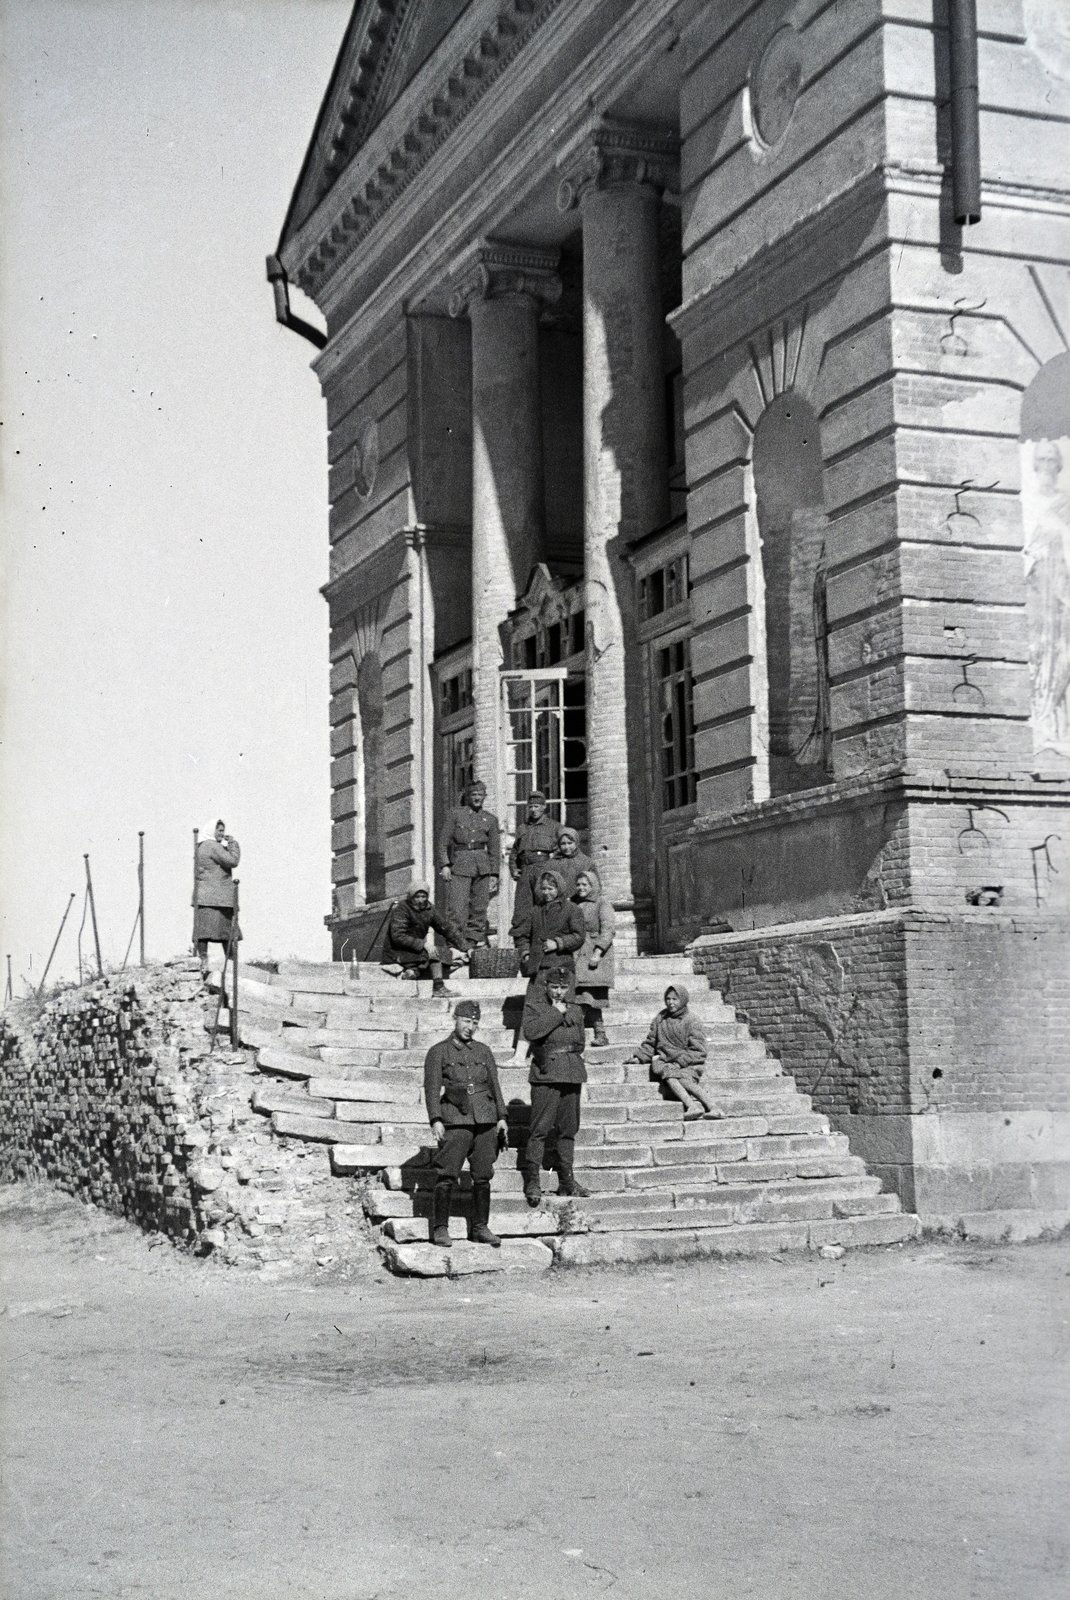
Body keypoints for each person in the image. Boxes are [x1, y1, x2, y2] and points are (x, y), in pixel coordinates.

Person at [424, 999, 509, 1248]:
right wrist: (436, 1119)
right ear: (455, 1019)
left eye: (474, 1023)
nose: (470, 1027)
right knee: (447, 1174)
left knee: (483, 1175)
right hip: (455, 1118)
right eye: (466, 1021)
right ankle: (440, 1228)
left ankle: (480, 1227)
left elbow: (495, 1084)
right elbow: (431, 1089)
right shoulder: (438, 1051)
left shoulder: (483, 1051)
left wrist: (502, 1116)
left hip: (485, 1118)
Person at [521, 966, 592, 1206]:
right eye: (554, 987)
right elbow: (531, 1032)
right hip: (547, 1073)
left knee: (568, 1129)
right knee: (539, 1129)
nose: (559, 992)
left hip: (571, 1072)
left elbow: (580, 1042)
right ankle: (532, 1182)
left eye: (563, 987)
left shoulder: (576, 1009)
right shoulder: (535, 1007)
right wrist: (555, 1013)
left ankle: (566, 1181)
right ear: (546, 987)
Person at [625, 985, 723, 1120]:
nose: (671, 1002)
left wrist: (679, 1062)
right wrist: (640, 1057)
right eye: (668, 999)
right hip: (667, 1062)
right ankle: (693, 1106)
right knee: (670, 1073)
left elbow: (699, 1051)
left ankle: (713, 1107)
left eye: (675, 999)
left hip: (689, 1063)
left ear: (683, 1000)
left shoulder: (692, 1020)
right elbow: (651, 1043)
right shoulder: (660, 1018)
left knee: (682, 1079)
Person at [438, 779, 500, 950]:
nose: (477, 798)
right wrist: (445, 864)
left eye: (480, 795)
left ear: (484, 797)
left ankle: (472, 942)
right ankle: (454, 943)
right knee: (456, 908)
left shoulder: (490, 819)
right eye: (474, 794)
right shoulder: (455, 815)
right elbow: (443, 842)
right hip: (460, 865)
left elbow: (494, 848)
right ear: (468, 796)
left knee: (479, 908)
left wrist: (494, 874)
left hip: (483, 867)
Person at [384, 883, 464, 996]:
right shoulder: (402, 909)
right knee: (433, 953)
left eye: (423, 896)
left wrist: (466, 947)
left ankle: (414, 972)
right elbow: (398, 937)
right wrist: (424, 945)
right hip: (397, 950)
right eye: (417, 897)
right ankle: (438, 987)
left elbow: (446, 928)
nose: (421, 900)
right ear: (411, 897)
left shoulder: (429, 908)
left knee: (445, 954)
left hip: (416, 949)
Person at [513, 869, 585, 992]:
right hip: (538, 968)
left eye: (550, 889)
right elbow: (522, 935)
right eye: (543, 888)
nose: (546, 892)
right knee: (534, 1006)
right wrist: (525, 953)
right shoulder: (535, 910)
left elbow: (578, 936)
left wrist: (557, 943)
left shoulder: (572, 909)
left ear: (559, 888)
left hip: (561, 966)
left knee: (559, 1006)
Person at [508, 791, 565, 934]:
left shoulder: (554, 826)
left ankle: (548, 938)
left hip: (544, 869)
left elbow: (564, 848)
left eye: (537, 806)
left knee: (545, 903)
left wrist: (553, 866)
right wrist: (514, 869)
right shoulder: (522, 828)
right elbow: (514, 852)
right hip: (525, 870)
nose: (533, 810)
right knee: (522, 909)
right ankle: (523, 946)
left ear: (544, 807)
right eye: (531, 806)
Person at [571, 870, 614, 1047]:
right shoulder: (573, 903)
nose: (581, 888)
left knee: (591, 995)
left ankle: (595, 1034)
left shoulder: (602, 903)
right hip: (577, 952)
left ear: (593, 885)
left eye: (585, 885)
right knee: (580, 994)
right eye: (578, 884)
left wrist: (597, 953)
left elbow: (608, 930)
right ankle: (586, 1034)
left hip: (595, 955)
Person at [192, 820, 240, 978]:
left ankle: (203, 962)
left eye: (222, 830)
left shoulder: (203, 846)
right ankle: (232, 966)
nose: (221, 833)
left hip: (207, 896)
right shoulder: (212, 846)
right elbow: (232, 861)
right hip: (217, 897)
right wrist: (232, 843)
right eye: (219, 830)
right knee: (227, 933)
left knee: (206, 932)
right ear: (212, 831)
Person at [551, 827, 601, 900]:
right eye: (563, 844)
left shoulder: (587, 862)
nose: (566, 847)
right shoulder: (553, 863)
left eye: (570, 843)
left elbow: (596, 887)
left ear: (576, 843)